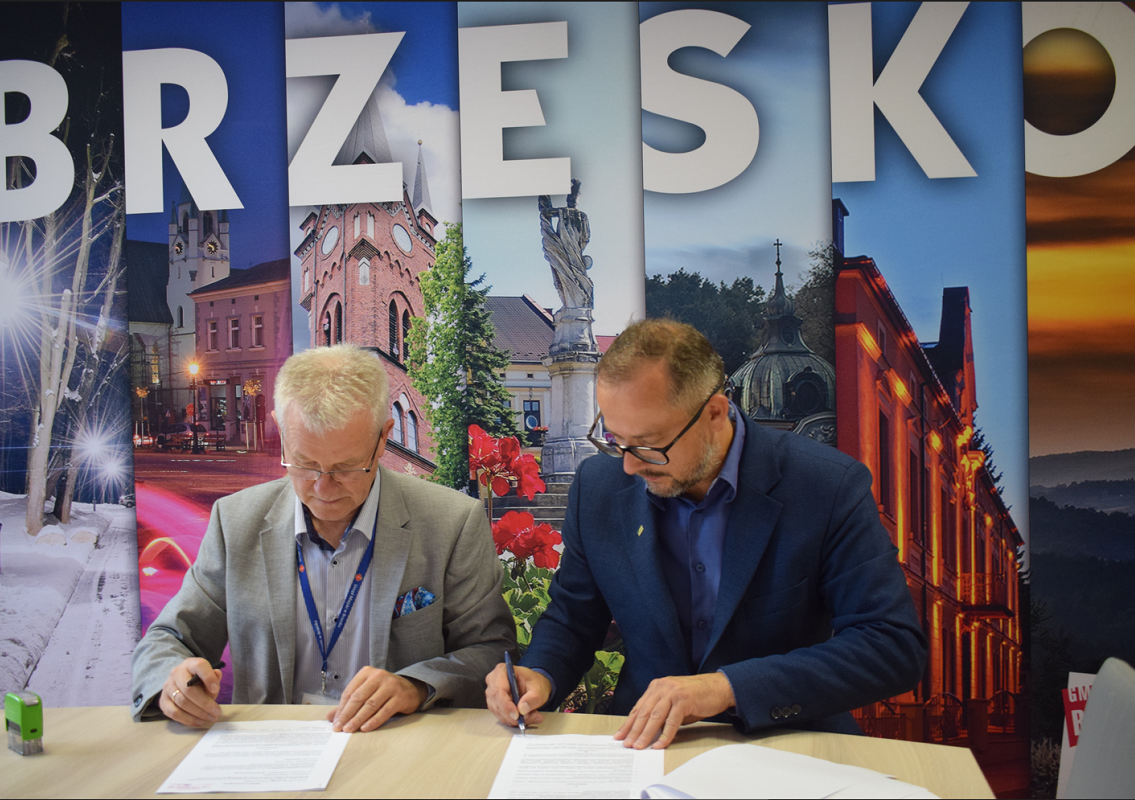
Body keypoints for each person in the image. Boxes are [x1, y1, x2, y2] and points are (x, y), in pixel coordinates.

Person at [486, 319, 926, 749]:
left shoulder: (825, 485)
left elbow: (891, 645)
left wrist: (727, 687)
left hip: (790, 747)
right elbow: (573, 618)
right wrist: (539, 674)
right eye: (616, 440)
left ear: (715, 413)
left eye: (649, 444)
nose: (630, 466)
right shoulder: (599, 486)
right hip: (645, 749)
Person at [133, 344, 514, 732]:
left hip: (398, 745)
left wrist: (416, 686)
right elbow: (168, 639)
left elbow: (491, 651)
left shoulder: (451, 523)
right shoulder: (236, 522)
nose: (323, 487)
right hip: (274, 749)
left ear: (384, 438)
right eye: (304, 463)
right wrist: (172, 681)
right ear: (280, 431)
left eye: (347, 467)